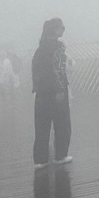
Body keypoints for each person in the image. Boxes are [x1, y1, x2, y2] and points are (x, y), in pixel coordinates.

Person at [32, 17, 72, 169]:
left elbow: (36, 71)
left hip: (42, 94)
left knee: (42, 126)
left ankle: (40, 160)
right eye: (62, 27)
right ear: (55, 30)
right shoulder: (58, 47)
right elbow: (59, 69)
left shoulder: (40, 48)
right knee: (62, 125)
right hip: (57, 93)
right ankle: (60, 156)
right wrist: (60, 89)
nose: (63, 30)